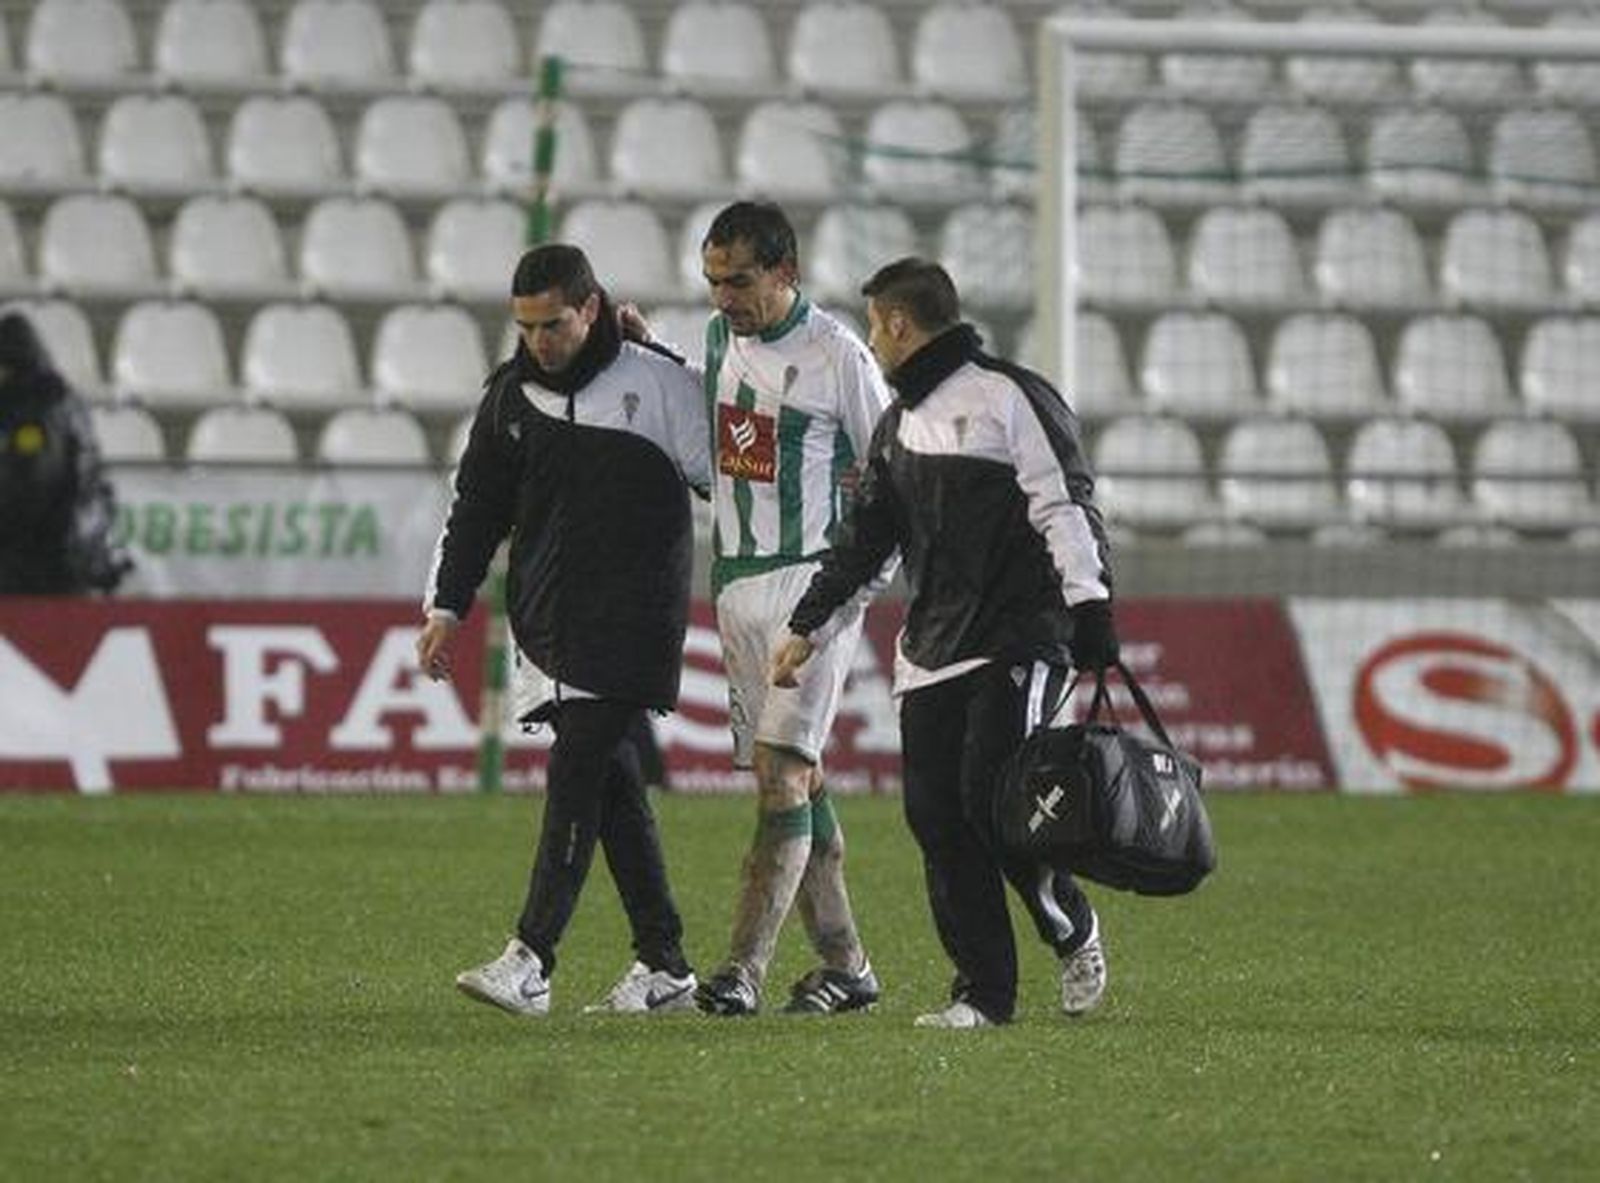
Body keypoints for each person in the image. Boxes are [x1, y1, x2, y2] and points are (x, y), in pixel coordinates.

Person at [772, 258, 1121, 1029]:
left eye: (875, 326)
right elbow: (866, 541)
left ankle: (1069, 924)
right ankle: (983, 994)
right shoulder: (897, 425)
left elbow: (1065, 503)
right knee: (934, 816)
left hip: (1020, 637)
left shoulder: (1011, 396)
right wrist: (807, 624)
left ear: (899, 324)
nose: (872, 341)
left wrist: (1091, 605)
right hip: (932, 647)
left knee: (994, 805)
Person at [416, 244, 711, 1016]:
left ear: (590, 309)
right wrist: (446, 608)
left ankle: (532, 957)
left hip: (635, 617)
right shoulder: (509, 398)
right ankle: (665, 962)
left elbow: (728, 477)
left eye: (552, 324)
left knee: (578, 767)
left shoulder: (656, 382)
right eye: (526, 327)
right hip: (548, 619)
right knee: (611, 784)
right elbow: (475, 509)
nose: (538, 341)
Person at [691, 201, 894, 1016]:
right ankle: (849, 966)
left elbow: (893, 478)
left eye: (738, 281)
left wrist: (847, 597)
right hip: (736, 582)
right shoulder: (717, 340)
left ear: (786, 272)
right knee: (797, 779)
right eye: (712, 281)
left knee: (779, 772)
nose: (723, 297)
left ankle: (742, 969)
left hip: (811, 584)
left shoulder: (839, 354)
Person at [0, 312, 130, 596]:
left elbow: (29, 485)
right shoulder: (68, 403)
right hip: (71, 560)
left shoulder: (32, 410)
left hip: (36, 571)